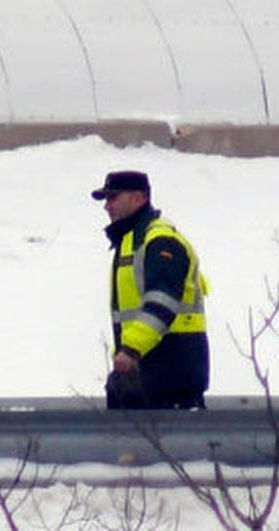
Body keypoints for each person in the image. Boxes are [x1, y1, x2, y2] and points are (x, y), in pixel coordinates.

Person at [92, 170, 209, 409]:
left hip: (170, 367)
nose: (107, 206)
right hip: (148, 370)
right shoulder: (133, 240)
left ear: (139, 198)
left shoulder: (159, 240)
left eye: (113, 198)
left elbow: (162, 301)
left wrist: (131, 350)